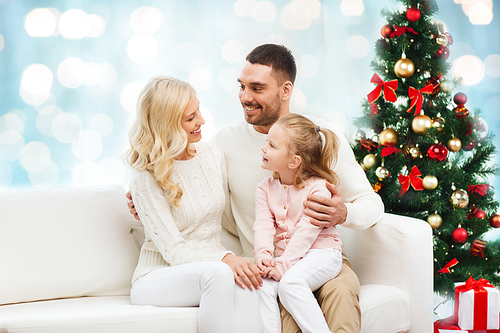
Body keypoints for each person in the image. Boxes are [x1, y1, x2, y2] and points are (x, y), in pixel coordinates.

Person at [128, 44, 384, 332]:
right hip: (269, 268)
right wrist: (149, 204)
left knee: (340, 295)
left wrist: (343, 212)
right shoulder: (222, 145)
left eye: (257, 88)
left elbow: (372, 205)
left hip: (320, 256)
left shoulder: (320, 135)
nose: (245, 97)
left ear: (285, 90)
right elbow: (200, 197)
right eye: (242, 87)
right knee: (287, 313)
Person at [125, 76, 262, 333]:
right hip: (158, 276)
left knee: (252, 279)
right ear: (166, 125)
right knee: (221, 274)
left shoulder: (211, 155)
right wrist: (226, 258)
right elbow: (174, 251)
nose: (201, 120)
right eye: (190, 118)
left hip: (210, 267)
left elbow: (222, 219)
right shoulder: (145, 175)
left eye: (198, 110)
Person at [255, 113, 343, 333]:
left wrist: (283, 266)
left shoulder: (318, 187)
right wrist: (264, 257)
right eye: (267, 143)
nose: (264, 148)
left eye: (272, 145)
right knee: (262, 285)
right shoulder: (264, 188)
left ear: (294, 161)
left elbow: (306, 232)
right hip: (290, 258)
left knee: (290, 284)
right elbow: (263, 226)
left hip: (322, 253)